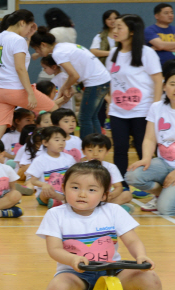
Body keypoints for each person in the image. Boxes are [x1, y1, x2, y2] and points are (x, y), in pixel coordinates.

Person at [28, 160, 175, 290]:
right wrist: (73, 259)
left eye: (91, 189)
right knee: (57, 286)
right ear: (63, 188)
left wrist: (141, 256)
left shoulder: (113, 211)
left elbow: (132, 240)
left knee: (150, 279)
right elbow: (54, 249)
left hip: (112, 272)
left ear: (104, 194)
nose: (82, 194)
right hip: (76, 274)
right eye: (75, 187)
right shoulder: (56, 214)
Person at [107, 14, 163, 186]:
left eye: (119, 27)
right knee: (120, 149)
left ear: (132, 32)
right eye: (114, 27)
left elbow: (158, 80)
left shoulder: (147, 53)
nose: (115, 30)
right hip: (118, 112)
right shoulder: (113, 54)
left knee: (143, 149)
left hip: (143, 111)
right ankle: (121, 187)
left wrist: (155, 107)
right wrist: (110, 102)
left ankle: (145, 184)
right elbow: (112, 81)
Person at [0, 9, 57, 139]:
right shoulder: (17, 40)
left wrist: (28, 37)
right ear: (22, 23)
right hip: (15, 90)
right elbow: (20, 68)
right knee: (57, 112)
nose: (30, 29)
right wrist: (30, 93)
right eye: (30, 26)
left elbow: (15, 51)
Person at [31, 28, 111, 139]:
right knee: (92, 117)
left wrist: (65, 87)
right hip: (103, 79)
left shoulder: (58, 53)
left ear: (43, 45)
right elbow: (76, 74)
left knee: (84, 118)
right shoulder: (64, 46)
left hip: (96, 82)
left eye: (36, 49)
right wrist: (67, 87)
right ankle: (98, 143)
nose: (37, 52)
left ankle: (84, 148)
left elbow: (74, 75)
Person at [125, 65, 175, 215]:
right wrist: (146, 158)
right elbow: (149, 138)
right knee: (133, 175)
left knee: (166, 210)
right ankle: (161, 194)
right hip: (164, 163)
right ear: (164, 86)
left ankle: (167, 198)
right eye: (172, 84)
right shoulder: (157, 107)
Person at [27, 126, 76, 209]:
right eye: (57, 140)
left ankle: (59, 201)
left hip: (65, 191)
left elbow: (74, 176)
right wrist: (44, 185)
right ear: (45, 142)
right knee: (48, 193)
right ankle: (62, 201)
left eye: (63, 140)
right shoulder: (40, 160)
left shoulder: (69, 158)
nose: (61, 143)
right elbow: (33, 181)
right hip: (46, 194)